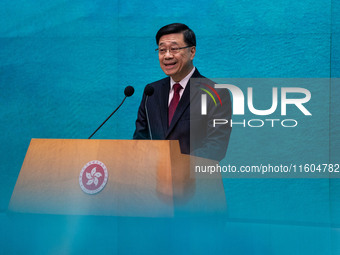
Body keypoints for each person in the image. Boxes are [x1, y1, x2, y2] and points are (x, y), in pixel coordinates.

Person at [133, 23, 231, 161]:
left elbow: (216, 147)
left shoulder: (215, 94)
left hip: (195, 180)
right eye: (162, 50)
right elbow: (140, 140)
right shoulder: (151, 92)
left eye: (174, 49)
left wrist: (174, 165)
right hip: (154, 180)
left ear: (192, 52)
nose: (167, 56)